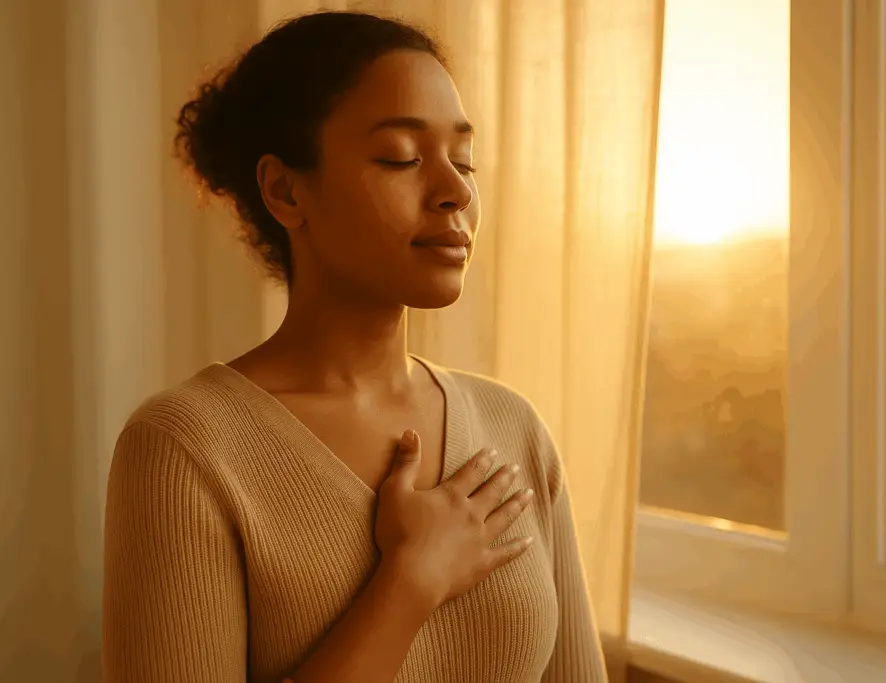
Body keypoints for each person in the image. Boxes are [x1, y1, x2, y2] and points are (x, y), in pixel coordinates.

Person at [101, 10, 607, 683]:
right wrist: (408, 582)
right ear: (285, 190)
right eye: (400, 156)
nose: (455, 191)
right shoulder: (186, 448)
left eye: (464, 159)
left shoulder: (513, 429)